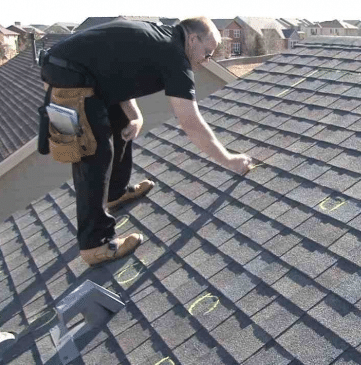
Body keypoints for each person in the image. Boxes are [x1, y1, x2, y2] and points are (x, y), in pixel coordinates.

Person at [38, 16, 251, 266]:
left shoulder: (161, 39)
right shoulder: (174, 56)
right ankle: (94, 244)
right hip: (69, 75)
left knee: (120, 126)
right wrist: (229, 159)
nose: (207, 60)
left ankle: (115, 193)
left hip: (80, 72)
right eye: (207, 53)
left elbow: (115, 75)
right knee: (94, 151)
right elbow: (190, 121)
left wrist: (135, 115)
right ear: (192, 39)